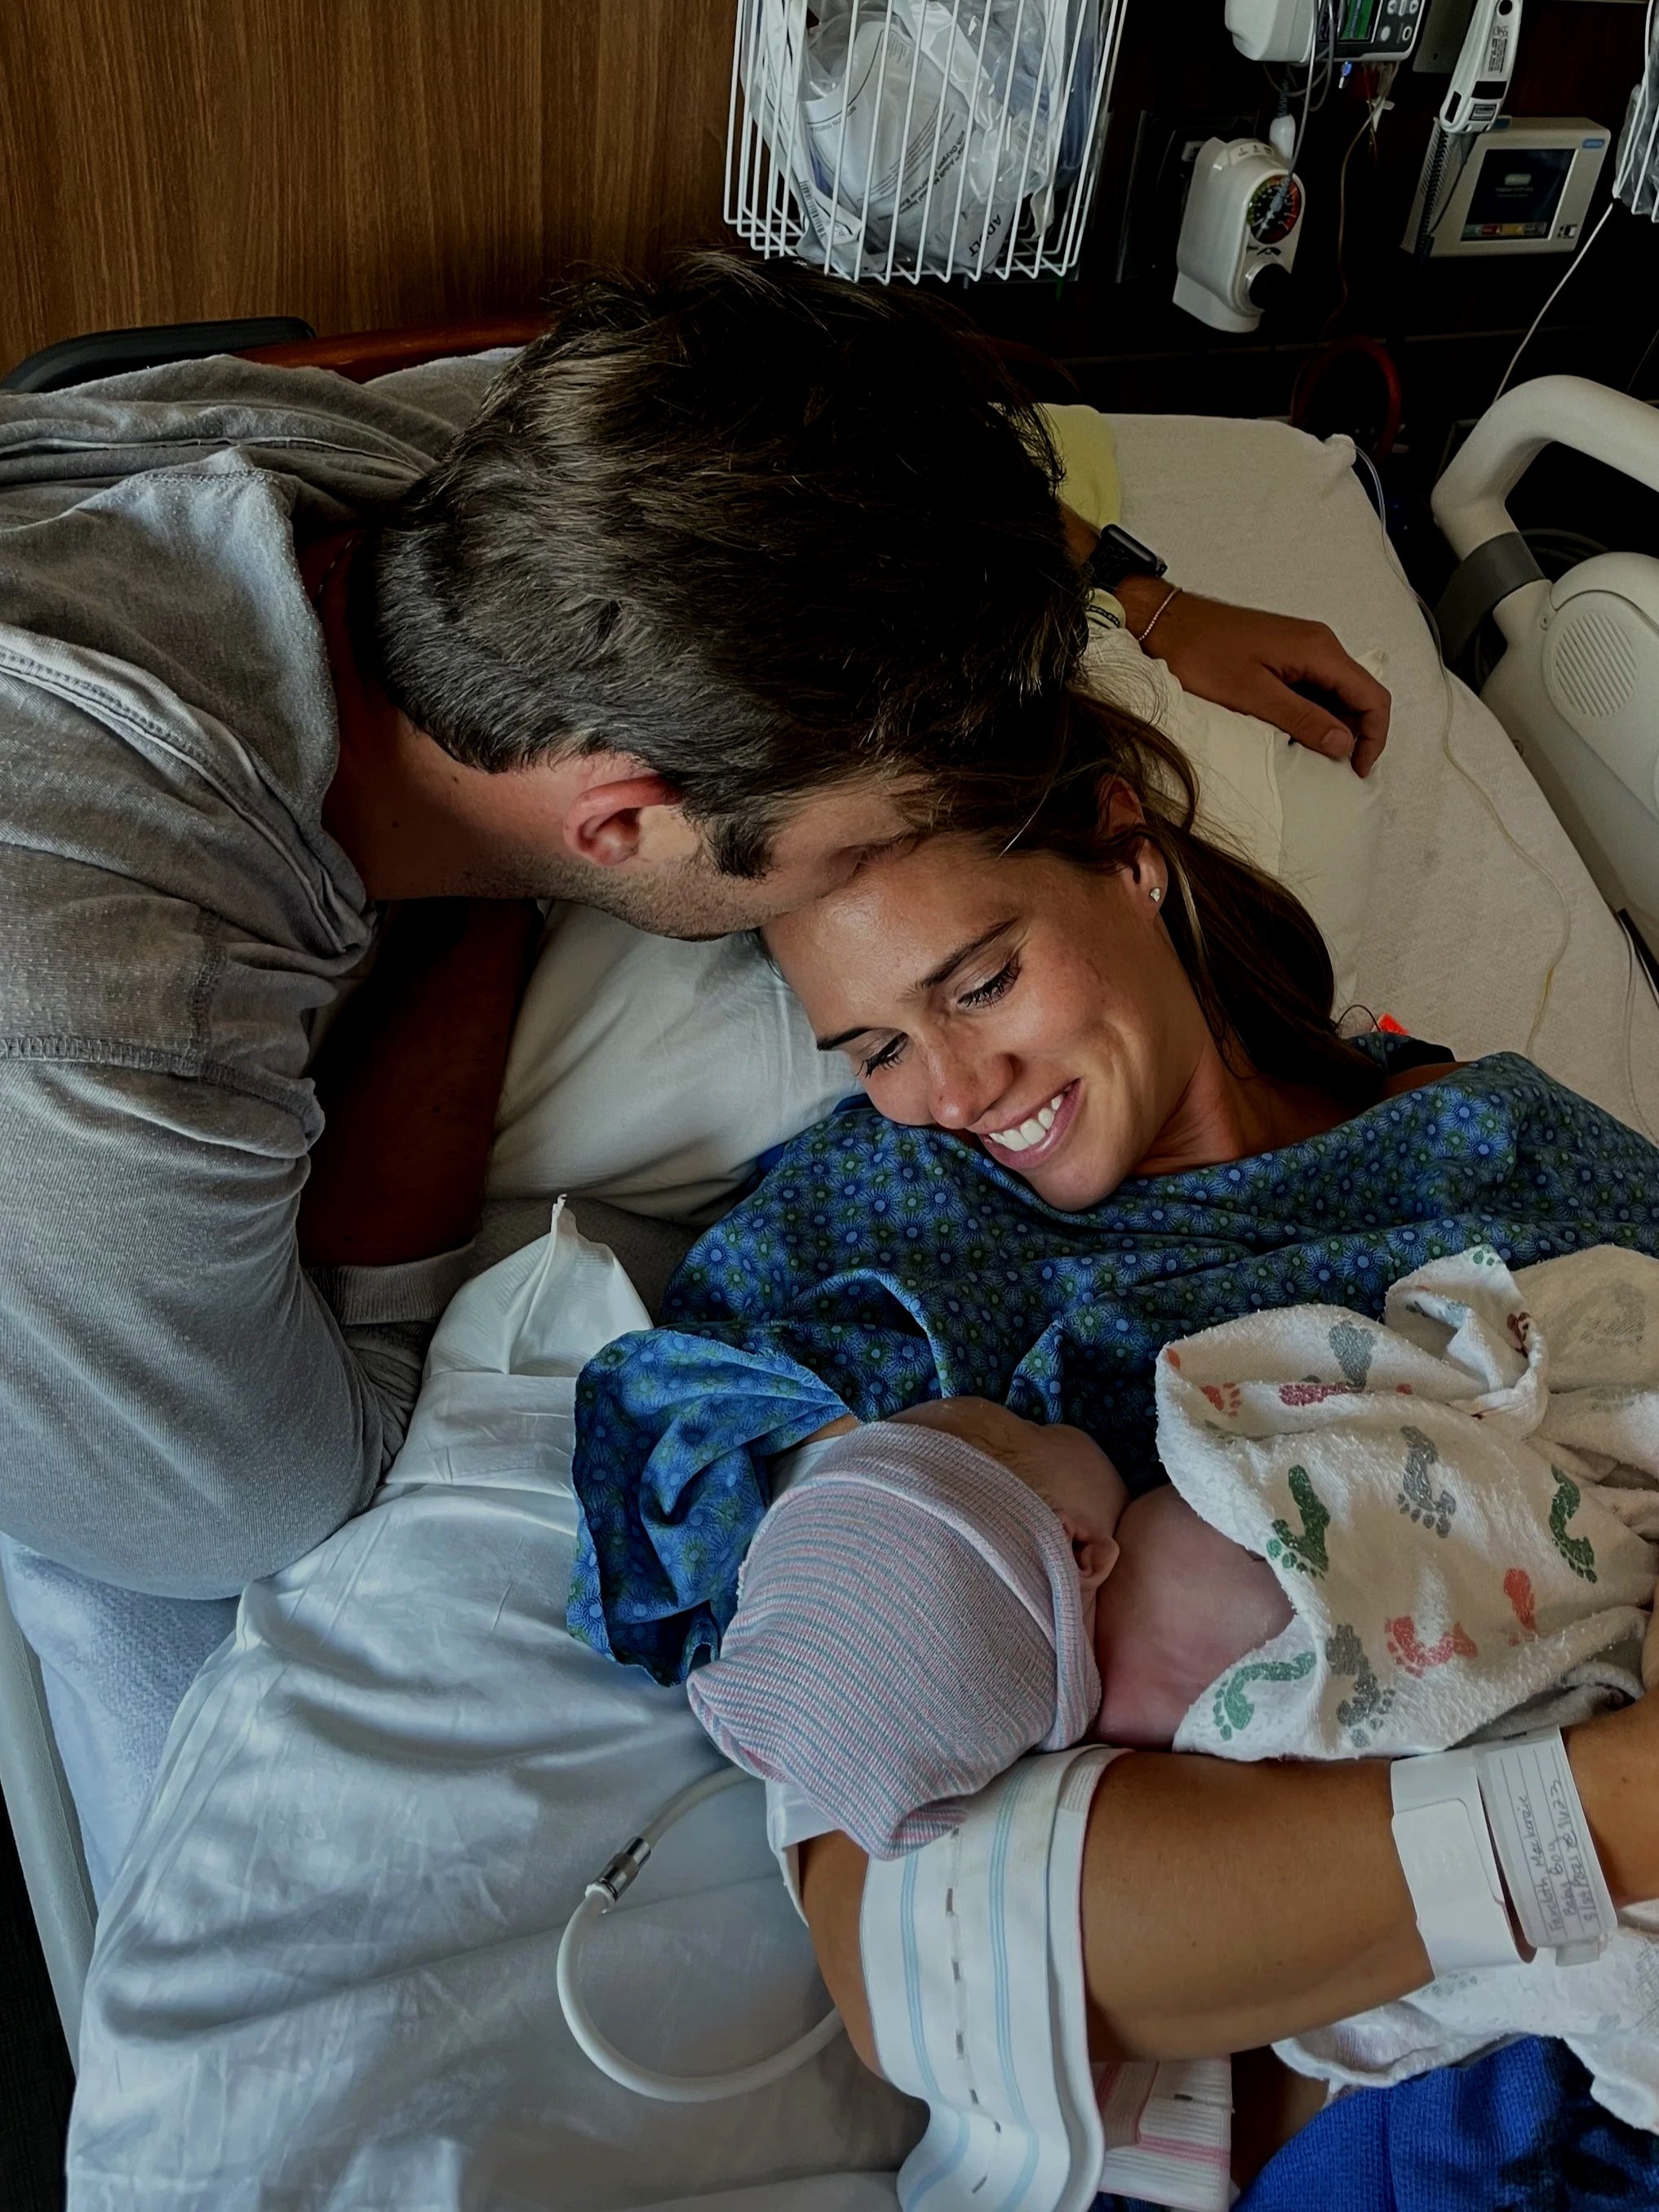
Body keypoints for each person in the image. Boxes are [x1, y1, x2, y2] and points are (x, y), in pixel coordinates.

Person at [0, 253, 1392, 1848]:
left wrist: (1149, 600)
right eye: (843, 863)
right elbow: (267, 1502)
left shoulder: (419, 475)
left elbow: (836, 461)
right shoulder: (114, 1032)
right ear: (622, 825)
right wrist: (489, 905)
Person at [562, 687, 1659, 2194]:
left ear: (1126, 855)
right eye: (874, 1047)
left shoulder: (1502, 1139)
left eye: (981, 983)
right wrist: (1616, 1804)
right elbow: (922, 1962)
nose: (951, 1093)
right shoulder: (889, 1253)